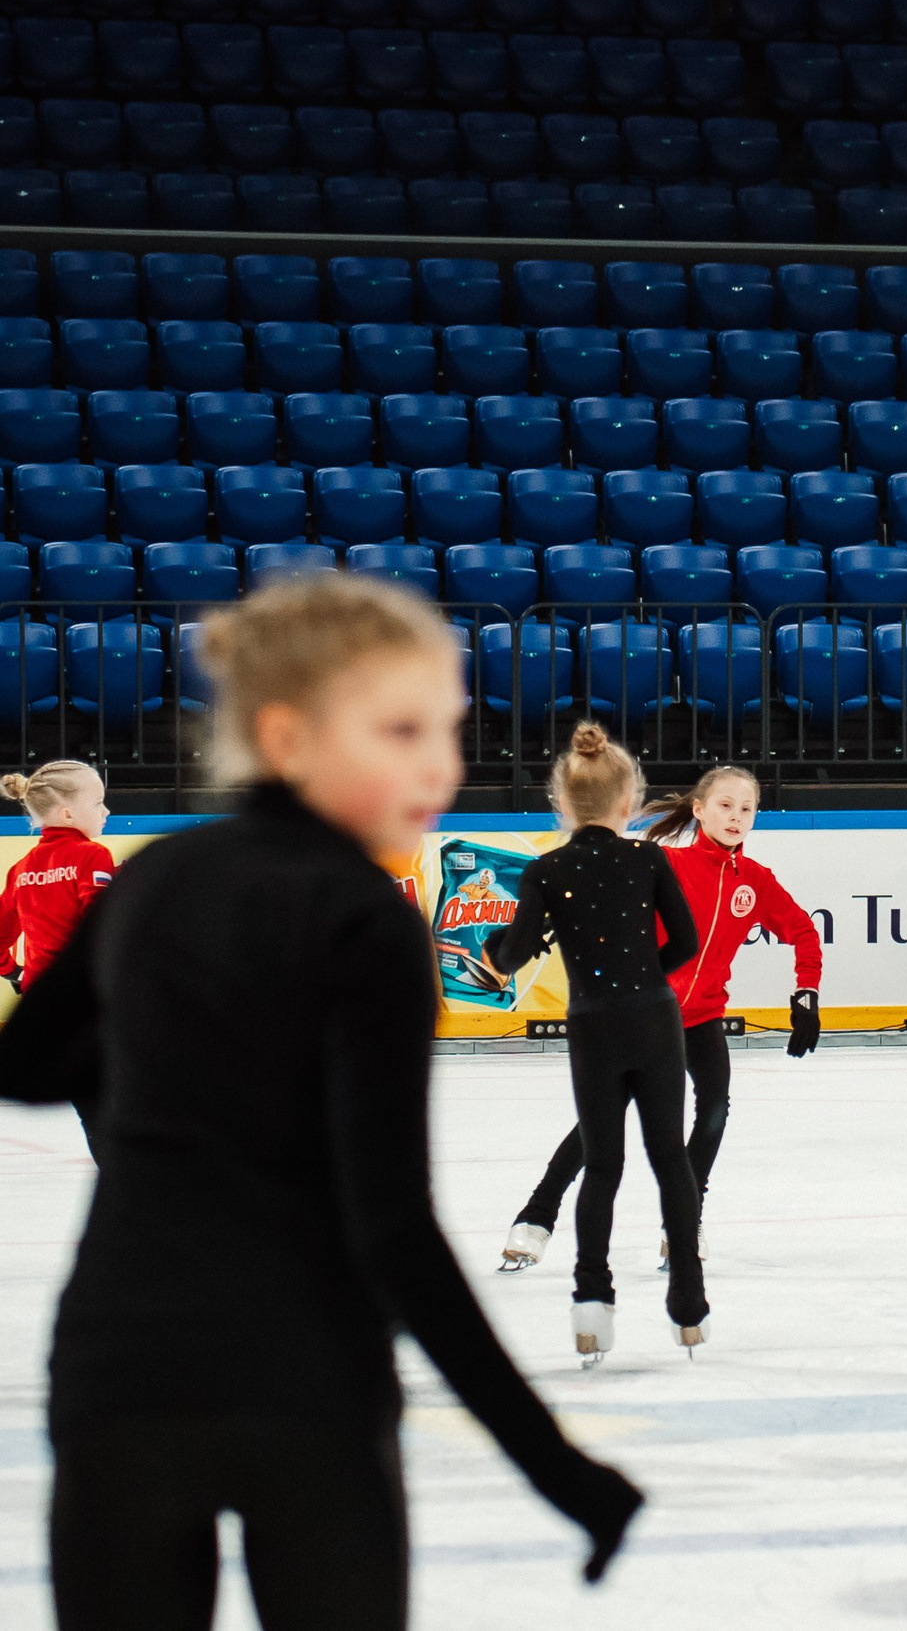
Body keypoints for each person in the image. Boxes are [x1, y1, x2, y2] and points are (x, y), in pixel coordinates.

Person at [0, 573, 641, 1629]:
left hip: (119, 1372)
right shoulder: (361, 916)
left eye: (446, 727)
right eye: (401, 729)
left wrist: (163, 1075)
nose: (441, 762)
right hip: (303, 1384)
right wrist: (553, 1463)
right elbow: (391, 1227)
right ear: (289, 736)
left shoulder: (161, 876)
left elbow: (25, 1064)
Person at [499, 764, 827, 1275]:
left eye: (747, 809)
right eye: (725, 805)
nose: (736, 817)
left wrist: (806, 992)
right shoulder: (665, 863)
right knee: (602, 1122)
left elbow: (804, 932)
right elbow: (598, 895)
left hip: (701, 1019)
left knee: (715, 1104)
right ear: (698, 810)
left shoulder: (757, 883)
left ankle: (685, 1221)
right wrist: (547, 922)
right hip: (647, 1013)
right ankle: (536, 1218)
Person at [481, 723, 706, 1365]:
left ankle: (591, 1305)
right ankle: (688, 1301)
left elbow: (511, 955)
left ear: (562, 803)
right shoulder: (648, 858)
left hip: (594, 1029)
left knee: (602, 1168)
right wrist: (644, 980)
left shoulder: (547, 871)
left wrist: (505, 948)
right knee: (670, 1157)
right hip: (656, 1022)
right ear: (627, 799)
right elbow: (685, 945)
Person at [0, 760, 115, 997]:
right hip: (82, 993)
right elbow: (100, 923)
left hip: (38, 997)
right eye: (98, 803)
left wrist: (12, 971)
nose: (106, 811)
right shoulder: (92, 855)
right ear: (67, 814)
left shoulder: (20, 870)